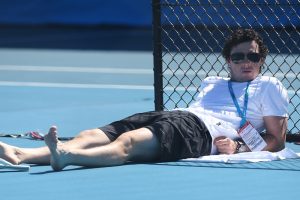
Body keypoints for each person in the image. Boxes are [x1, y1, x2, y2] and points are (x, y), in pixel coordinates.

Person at [0, 28, 289, 171]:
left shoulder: (269, 86)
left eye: (253, 56)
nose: (246, 62)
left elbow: (277, 140)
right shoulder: (211, 83)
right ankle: (21, 155)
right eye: (239, 57)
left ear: (262, 59)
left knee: (129, 144)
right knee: (92, 134)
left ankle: (67, 157)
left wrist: (238, 146)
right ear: (228, 60)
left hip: (200, 133)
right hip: (177, 115)